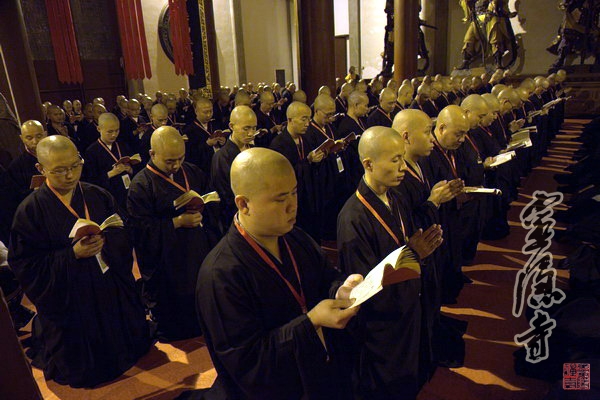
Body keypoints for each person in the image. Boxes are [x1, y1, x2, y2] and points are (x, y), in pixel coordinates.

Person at [196, 147, 361, 399]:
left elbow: (327, 277)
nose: (293, 206)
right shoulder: (220, 274)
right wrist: (310, 322)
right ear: (244, 204)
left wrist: (341, 289)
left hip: (320, 371)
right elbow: (246, 361)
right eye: (280, 199)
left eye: (294, 192)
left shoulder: (295, 237)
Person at [8, 135, 151, 388]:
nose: (70, 175)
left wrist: (106, 241)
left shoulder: (97, 194)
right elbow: (26, 265)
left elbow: (123, 231)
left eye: (75, 165)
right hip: (71, 297)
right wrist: (71, 255)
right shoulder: (30, 211)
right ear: (41, 169)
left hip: (107, 284)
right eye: (59, 170)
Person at [338, 126, 443, 399]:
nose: (403, 168)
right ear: (368, 164)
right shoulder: (353, 218)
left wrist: (418, 253)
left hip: (409, 306)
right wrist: (413, 255)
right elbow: (365, 290)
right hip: (383, 326)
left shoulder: (396, 197)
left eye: (402, 158)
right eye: (395, 160)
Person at [127, 126, 220, 342]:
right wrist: (176, 222)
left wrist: (206, 207)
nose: (176, 165)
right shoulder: (141, 185)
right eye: (169, 161)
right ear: (152, 154)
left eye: (180, 158)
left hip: (197, 246)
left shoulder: (192, 171)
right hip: (168, 258)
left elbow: (211, 197)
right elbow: (140, 231)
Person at [421, 105, 470, 304]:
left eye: (465, 134)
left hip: (452, 214)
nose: (463, 139)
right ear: (441, 128)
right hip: (437, 218)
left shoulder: (452, 149)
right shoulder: (427, 154)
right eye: (459, 134)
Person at [270, 102, 324, 241]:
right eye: (303, 119)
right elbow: (282, 174)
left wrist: (317, 160)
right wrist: (308, 161)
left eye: (309, 119)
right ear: (290, 120)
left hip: (310, 195)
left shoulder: (306, 139)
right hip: (293, 198)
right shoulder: (278, 143)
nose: (307, 124)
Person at [211, 105, 257, 228]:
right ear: (231, 126)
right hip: (237, 217)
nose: (251, 133)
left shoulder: (254, 150)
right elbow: (226, 196)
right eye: (246, 128)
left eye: (254, 128)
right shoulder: (221, 157)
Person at [83, 113, 135, 212]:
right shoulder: (91, 151)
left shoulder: (123, 145)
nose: (114, 135)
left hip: (127, 191)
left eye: (117, 130)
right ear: (99, 129)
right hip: (108, 195)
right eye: (110, 131)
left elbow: (135, 165)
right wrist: (111, 173)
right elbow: (90, 180)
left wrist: (130, 170)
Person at [182, 97, 226, 175]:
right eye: (205, 112)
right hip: (203, 168)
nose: (209, 115)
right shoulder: (189, 130)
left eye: (211, 111)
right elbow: (190, 154)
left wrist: (223, 142)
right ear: (196, 111)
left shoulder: (215, 124)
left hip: (219, 164)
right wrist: (207, 144)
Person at [7, 120, 47, 205]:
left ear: (45, 134)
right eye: (29, 138)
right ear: (22, 138)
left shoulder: (56, 156)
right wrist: (35, 191)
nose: (35, 141)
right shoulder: (16, 166)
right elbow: (13, 196)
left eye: (39, 136)